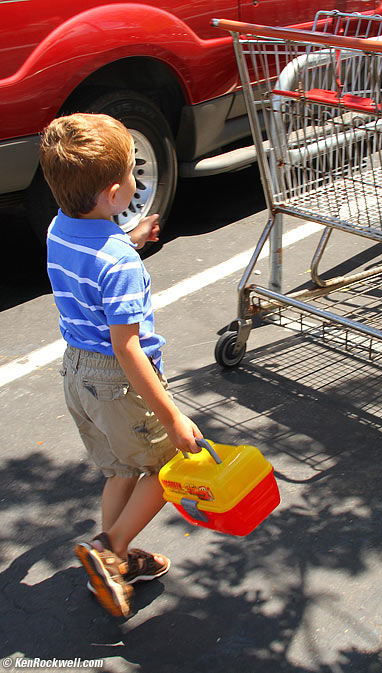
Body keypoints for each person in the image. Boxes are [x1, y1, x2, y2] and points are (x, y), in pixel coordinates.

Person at [39, 113, 202, 618]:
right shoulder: (120, 265)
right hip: (116, 378)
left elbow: (94, 259)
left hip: (78, 374)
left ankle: (115, 558)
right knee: (169, 467)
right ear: (114, 193)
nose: (136, 180)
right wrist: (174, 418)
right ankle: (110, 552)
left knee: (121, 468)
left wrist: (128, 238)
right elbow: (127, 348)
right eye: (132, 173)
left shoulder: (60, 228)